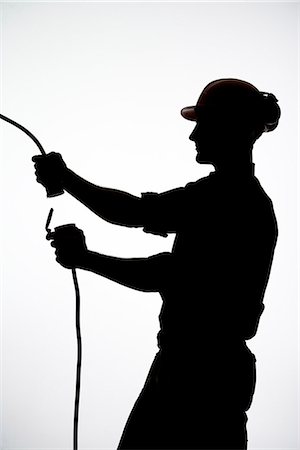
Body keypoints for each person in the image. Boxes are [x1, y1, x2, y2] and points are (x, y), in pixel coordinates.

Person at [32, 78, 281, 449]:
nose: (193, 136)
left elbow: (141, 229)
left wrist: (67, 186)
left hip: (195, 373)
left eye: (203, 124)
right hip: (212, 371)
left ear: (228, 128)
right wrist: (86, 256)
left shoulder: (228, 198)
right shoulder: (234, 198)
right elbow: (161, 257)